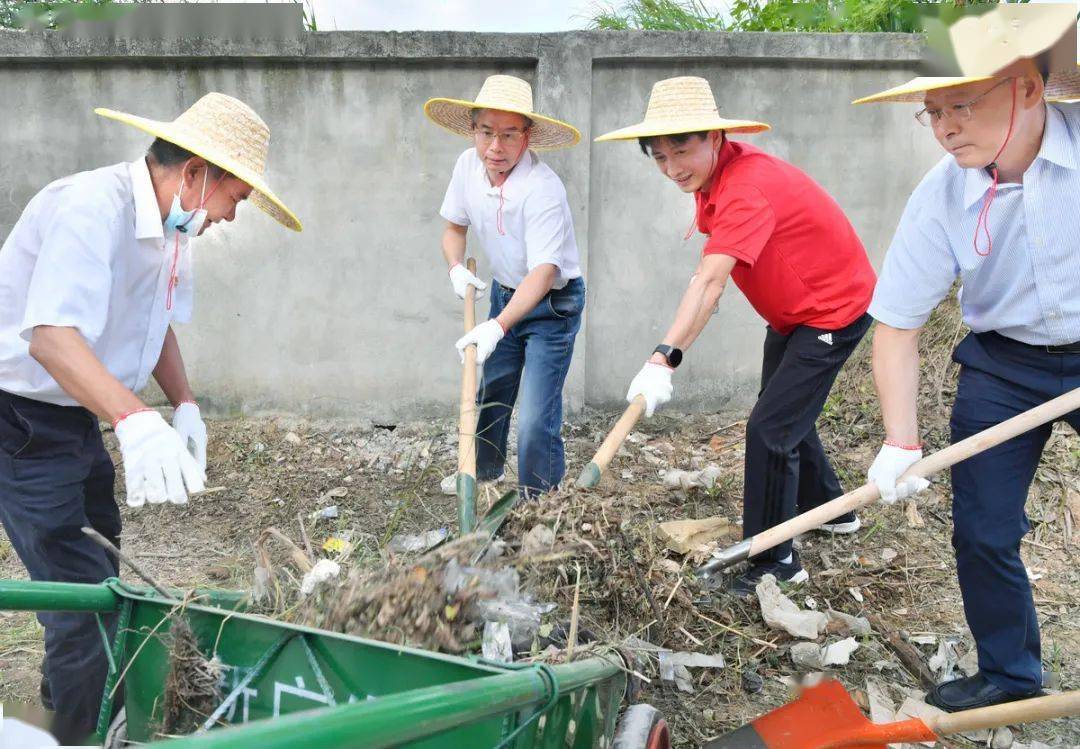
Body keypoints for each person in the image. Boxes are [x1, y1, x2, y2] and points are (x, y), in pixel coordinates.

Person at [0, 92, 300, 742]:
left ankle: (70, 710)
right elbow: (50, 336)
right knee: (81, 605)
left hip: (77, 414)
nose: (229, 216)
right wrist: (134, 418)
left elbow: (154, 322)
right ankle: (76, 733)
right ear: (195, 173)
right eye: (235, 199)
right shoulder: (91, 210)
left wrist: (184, 403)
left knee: (101, 577)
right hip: (20, 420)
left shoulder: (170, 228)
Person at [854, 3, 1078, 712]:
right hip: (1004, 365)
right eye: (934, 110)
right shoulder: (941, 196)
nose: (946, 126)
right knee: (982, 527)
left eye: (962, 105)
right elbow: (896, 323)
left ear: (1028, 88)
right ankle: (1010, 673)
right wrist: (899, 438)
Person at [596, 76, 876, 596]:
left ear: (716, 138)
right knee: (784, 411)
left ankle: (775, 563)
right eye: (658, 156)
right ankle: (830, 510)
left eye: (682, 149)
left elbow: (709, 281)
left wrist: (665, 357)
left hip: (832, 312)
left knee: (771, 428)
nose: (672, 167)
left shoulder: (746, 187)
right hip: (796, 314)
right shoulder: (715, 181)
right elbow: (711, 279)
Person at [425, 75, 585, 499]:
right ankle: (485, 471)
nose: (496, 147)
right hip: (505, 293)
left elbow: (544, 272)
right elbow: (454, 228)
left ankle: (542, 500)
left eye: (509, 134)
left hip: (552, 307)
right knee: (493, 392)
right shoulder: (466, 167)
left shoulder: (543, 189)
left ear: (527, 136)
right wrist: (456, 267)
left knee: (535, 415)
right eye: (486, 133)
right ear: (472, 131)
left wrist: (497, 326)